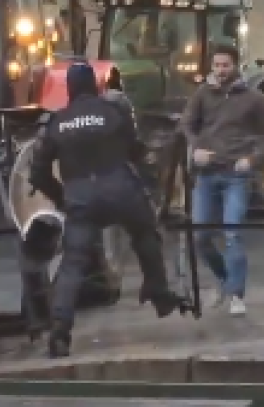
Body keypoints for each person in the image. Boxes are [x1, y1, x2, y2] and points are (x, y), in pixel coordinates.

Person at [29, 64, 186, 358]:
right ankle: (158, 291)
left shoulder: (57, 123)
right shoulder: (114, 113)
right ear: (96, 85)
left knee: (73, 263)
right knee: (145, 232)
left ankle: (60, 331)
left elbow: (37, 173)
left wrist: (62, 197)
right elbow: (135, 151)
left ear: (70, 88)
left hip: (81, 199)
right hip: (121, 192)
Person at [181, 44, 264, 316]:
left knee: (232, 233)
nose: (221, 71)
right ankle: (224, 279)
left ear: (235, 66)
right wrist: (195, 148)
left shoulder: (254, 98)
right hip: (207, 173)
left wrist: (252, 159)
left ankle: (237, 295)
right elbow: (187, 124)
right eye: (217, 66)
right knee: (200, 237)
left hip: (237, 174)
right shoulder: (202, 94)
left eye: (225, 65)